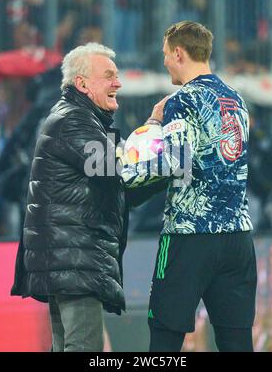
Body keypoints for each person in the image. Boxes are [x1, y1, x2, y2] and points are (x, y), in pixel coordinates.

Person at [11, 42, 166, 352]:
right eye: (108, 75)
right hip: (73, 259)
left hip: (66, 258)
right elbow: (117, 170)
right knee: (85, 348)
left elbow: (120, 189)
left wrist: (169, 174)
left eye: (117, 75)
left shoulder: (81, 119)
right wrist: (157, 133)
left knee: (70, 346)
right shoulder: (73, 120)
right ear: (81, 83)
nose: (118, 83)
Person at [122, 21, 257, 352]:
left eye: (166, 55)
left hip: (190, 236)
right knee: (236, 341)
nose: (165, 61)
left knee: (165, 339)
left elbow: (174, 163)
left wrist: (125, 172)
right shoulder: (237, 98)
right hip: (239, 239)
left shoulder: (181, 100)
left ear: (179, 53)